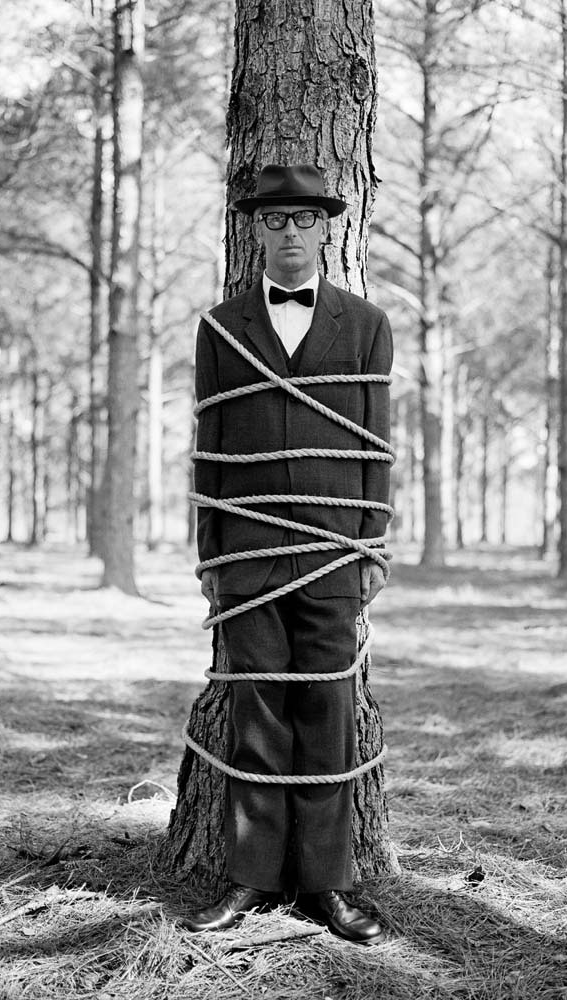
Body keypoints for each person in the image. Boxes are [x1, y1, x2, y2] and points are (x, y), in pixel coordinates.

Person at [182, 164, 393, 944]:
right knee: (256, 711)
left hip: (335, 554)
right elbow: (209, 445)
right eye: (276, 221)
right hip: (248, 552)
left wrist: (371, 545)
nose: (291, 233)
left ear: (328, 227)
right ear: (256, 231)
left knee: (329, 713)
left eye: (305, 219)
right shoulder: (219, 328)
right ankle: (250, 876)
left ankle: (327, 886)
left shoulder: (368, 325)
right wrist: (211, 555)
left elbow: (378, 447)